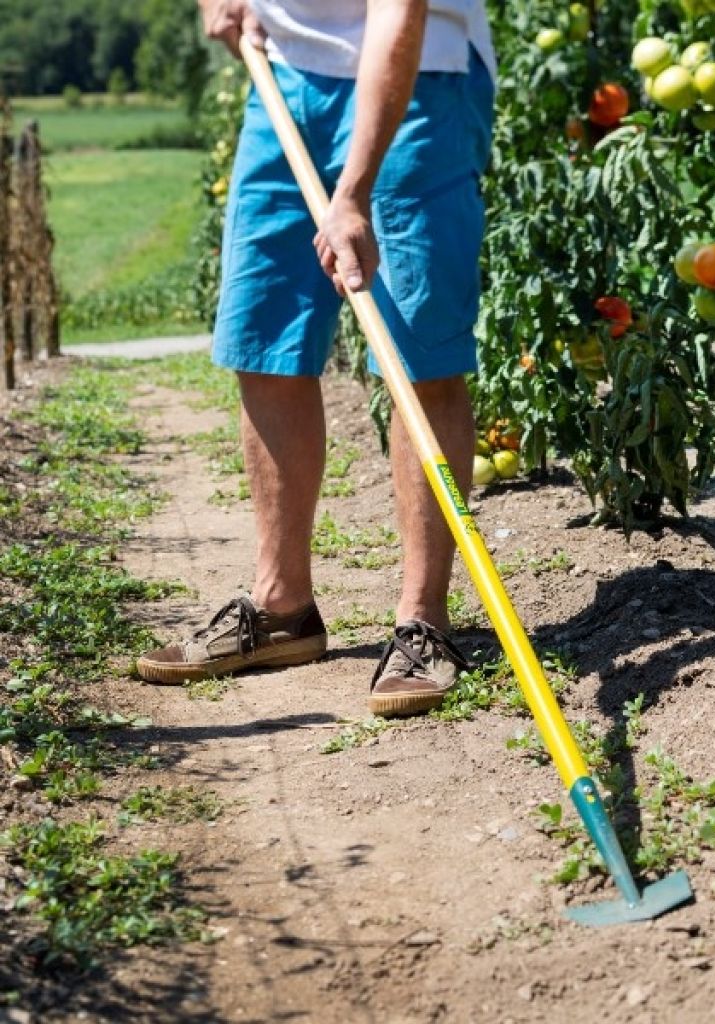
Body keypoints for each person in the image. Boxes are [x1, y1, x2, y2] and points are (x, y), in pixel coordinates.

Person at [136, 0, 496, 718]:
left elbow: (402, 13)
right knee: (264, 338)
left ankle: (423, 620)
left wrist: (353, 193)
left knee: (418, 355)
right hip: (287, 76)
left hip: (420, 76)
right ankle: (282, 610)